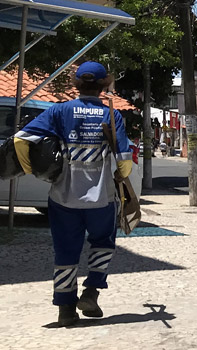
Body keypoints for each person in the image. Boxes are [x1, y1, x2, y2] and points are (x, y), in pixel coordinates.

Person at [13, 61, 133, 326]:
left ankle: (66, 309)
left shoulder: (58, 111)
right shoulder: (112, 115)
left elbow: (21, 139)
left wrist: (30, 170)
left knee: (65, 252)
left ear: (76, 84)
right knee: (103, 243)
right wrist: (119, 179)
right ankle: (91, 292)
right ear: (104, 85)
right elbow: (125, 163)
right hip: (101, 198)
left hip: (62, 197)